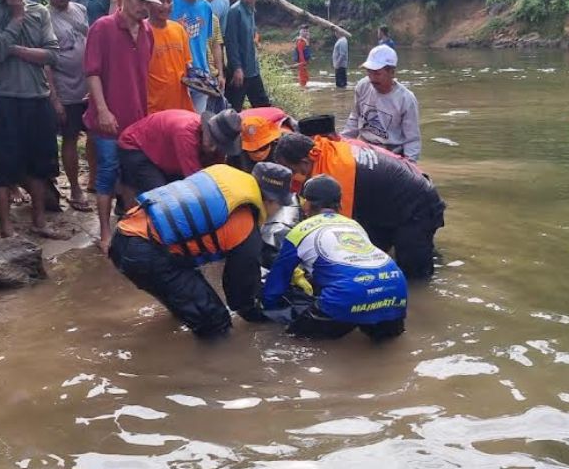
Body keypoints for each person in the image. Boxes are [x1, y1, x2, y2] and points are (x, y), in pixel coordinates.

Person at [109, 162, 293, 338]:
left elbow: (253, 249)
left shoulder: (225, 179)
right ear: (270, 200)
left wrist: (286, 265)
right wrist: (263, 317)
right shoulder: (243, 224)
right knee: (215, 322)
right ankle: (214, 366)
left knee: (186, 305)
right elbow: (238, 295)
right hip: (146, 253)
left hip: (124, 236)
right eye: (279, 205)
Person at [273, 132, 445, 279]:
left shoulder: (336, 171)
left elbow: (337, 227)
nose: (292, 177)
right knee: (373, 257)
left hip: (416, 206)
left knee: (415, 275)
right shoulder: (325, 149)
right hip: (383, 202)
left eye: (291, 170)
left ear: (304, 162)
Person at [0, 0, 66, 240]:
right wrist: (16, 18)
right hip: (5, 97)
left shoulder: (40, 12)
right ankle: (7, 229)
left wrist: (16, 50)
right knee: (1, 166)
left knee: (40, 164)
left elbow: (52, 55)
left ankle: (39, 221)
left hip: (37, 97)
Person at [262, 175, 407, 340]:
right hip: (395, 286)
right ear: (339, 203)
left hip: (347, 294)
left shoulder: (299, 231)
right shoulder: (354, 225)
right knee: (386, 345)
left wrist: (268, 308)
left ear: (306, 204)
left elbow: (278, 278)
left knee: (295, 341)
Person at [84, 0, 157, 253]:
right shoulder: (102, 28)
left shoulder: (147, 30)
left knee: (131, 174)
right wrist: (102, 109)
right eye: (140, 1)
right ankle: (104, 231)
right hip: (108, 119)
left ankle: (128, 228)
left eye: (148, 3)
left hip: (136, 119)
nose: (145, 7)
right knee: (106, 173)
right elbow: (92, 73)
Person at [44, 0, 94, 212]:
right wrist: (55, 99)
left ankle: (94, 180)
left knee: (95, 134)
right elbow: (46, 64)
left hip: (88, 87)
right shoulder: (44, 17)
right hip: (66, 89)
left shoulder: (81, 10)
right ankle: (75, 187)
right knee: (71, 138)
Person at [117, 108, 243, 196]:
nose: (214, 149)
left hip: (164, 154)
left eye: (219, 145)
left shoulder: (217, 141)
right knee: (163, 197)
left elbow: (216, 173)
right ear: (206, 129)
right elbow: (196, 183)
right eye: (212, 141)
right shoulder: (185, 134)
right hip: (136, 147)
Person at [341, 45, 421, 162]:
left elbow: (412, 139)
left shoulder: (406, 99)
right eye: (369, 72)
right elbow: (354, 119)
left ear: (392, 73)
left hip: (391, 154)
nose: (372, 78)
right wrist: (342, 143)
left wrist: (410, 164)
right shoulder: (363, 86)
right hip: (364, 149)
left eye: (377, 73)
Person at [171, 0, 220, 113]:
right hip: (178, 74)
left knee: (199, 121)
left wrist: (214, 72)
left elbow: (205, 43)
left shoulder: (205, 7)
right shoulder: (169, 4)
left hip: (201, 73)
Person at [224, 0, 272, 111]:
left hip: (252, 69)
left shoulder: (251, 9)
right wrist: (237, 68)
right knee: (233, 110)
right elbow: (231, 42)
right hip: (239, 71)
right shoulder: (235, 11)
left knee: (264, 106)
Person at [146, 0, 194, 114]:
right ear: (148, 3)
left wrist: (199, 79)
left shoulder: (178, 29)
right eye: (161, 1)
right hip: (154, 109)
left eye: (169, 1)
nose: (166, 6)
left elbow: (187, 63)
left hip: (182, 107)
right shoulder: (141, 32)